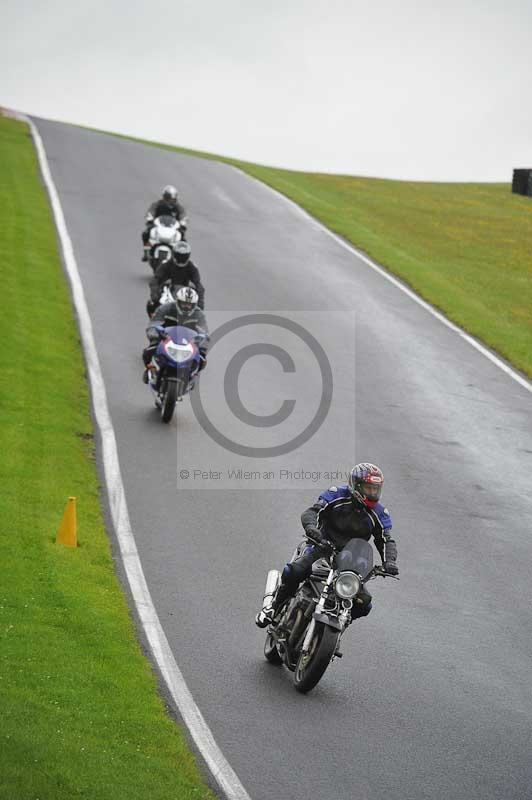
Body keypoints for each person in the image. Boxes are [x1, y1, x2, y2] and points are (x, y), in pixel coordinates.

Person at [255, 463, 398, 627]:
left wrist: (390, 562)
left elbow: (385, 539)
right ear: (356, 485)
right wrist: (311, 528)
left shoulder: (379, 512)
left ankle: (342, 621)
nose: (373, 493)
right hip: (322, 546)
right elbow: (313, 511)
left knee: (364, 603)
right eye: (368, 488)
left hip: (350, 558)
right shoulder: (337, 495)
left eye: (375, 489)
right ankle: (273, 607)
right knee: (294, 571)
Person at [142, 286, 209, 382]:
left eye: (190, 305)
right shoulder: (166, 308)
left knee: (202, 358)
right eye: (184, 304)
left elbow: (204, 331)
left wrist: (201, 342)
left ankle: (192, 375)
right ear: (178, 301)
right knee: (149, 351)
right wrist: (155, 334)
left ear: (195, 305)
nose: (187, 307)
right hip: (166, 338)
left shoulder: (199, 314)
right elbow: (154, 323)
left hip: (187, 341)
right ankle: (149, 368)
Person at [147, 241, 205, 315]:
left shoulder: (192, 267)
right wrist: (155, 295)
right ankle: (154, 324)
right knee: (151, 305)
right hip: (166, 293)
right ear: (175, 254)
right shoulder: (166, 264)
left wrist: (200, 303)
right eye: (179, 255)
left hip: (185, 296)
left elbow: (198, 285)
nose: (181, 258)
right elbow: (155, 280)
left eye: (183, 256)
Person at [141, 185, 188, 261]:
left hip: (173, 228)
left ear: (175, 198)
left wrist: (183, 223)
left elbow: (183, 215)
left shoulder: (178, 207)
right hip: (158, 226)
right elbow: (151, 211)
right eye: (167, 197)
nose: (169, 200)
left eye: (171, 198)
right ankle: (146, 252)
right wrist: (150, 219)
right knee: (145, 234)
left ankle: (181, 258)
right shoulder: (157, 204)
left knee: (183, 241)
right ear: (164, 196)